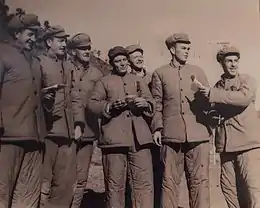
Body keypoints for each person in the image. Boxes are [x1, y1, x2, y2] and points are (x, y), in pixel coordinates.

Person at [88, 46, 155, 208]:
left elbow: (151, 102)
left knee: (143, 183)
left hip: (140, 139)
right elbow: (92, 105)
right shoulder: (104, 82)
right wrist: (110, 106)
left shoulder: (138, 80)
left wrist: (144, 103)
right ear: (112, 64)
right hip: (114, 139)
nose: (122, 63)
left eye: (124, 60)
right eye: (118, 61)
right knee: (114, 185)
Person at [151, 32, 211, 208]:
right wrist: (157, 128)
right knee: (169, 181)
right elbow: (157, 104)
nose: (187, 51)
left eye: (188, 48)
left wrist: (205, 95)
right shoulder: (160, 73)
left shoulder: (198, 72)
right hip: (171, 135)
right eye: (183, 48)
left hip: (198, 133)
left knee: (200, 181)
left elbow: (208, 103)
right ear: (172, 49)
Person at [198, 46, 260, 208]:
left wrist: (213, 94)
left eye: (235, 60)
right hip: (225, 147)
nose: (233, 64)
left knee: (253, 190)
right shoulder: (217, 86)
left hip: (248, 145)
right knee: (229, 189)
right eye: (228, 61)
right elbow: (214, 111)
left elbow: (242, 98)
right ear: (222, 64)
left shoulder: (247, 80)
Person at [0, 12, 46, 208]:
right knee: (2, 191)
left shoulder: (34, 60)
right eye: (30, 34)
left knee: (28, 195)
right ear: (17, 33)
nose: (34, 39)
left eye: (36, 35)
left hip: (34, 137)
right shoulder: (2, 53)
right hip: (7, 137)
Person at [39, 24, 85, 208]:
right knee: (44, 179)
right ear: (49, 42)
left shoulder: (68, 66)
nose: (64, 44)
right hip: (47, 130)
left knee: (65, 181)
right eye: (60, 40)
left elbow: (75, 96)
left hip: (67, 131)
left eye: (65, 40)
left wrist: (78, 124)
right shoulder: (39, 63)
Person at [68, 33, 103, 208]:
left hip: (88, 132)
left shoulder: (97, 73)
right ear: (74, 51)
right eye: (83, 48)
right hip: (66, 130)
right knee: (63, 177)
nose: (87, 51)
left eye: (89, 48)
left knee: (81, 178)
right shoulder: (65, 68)